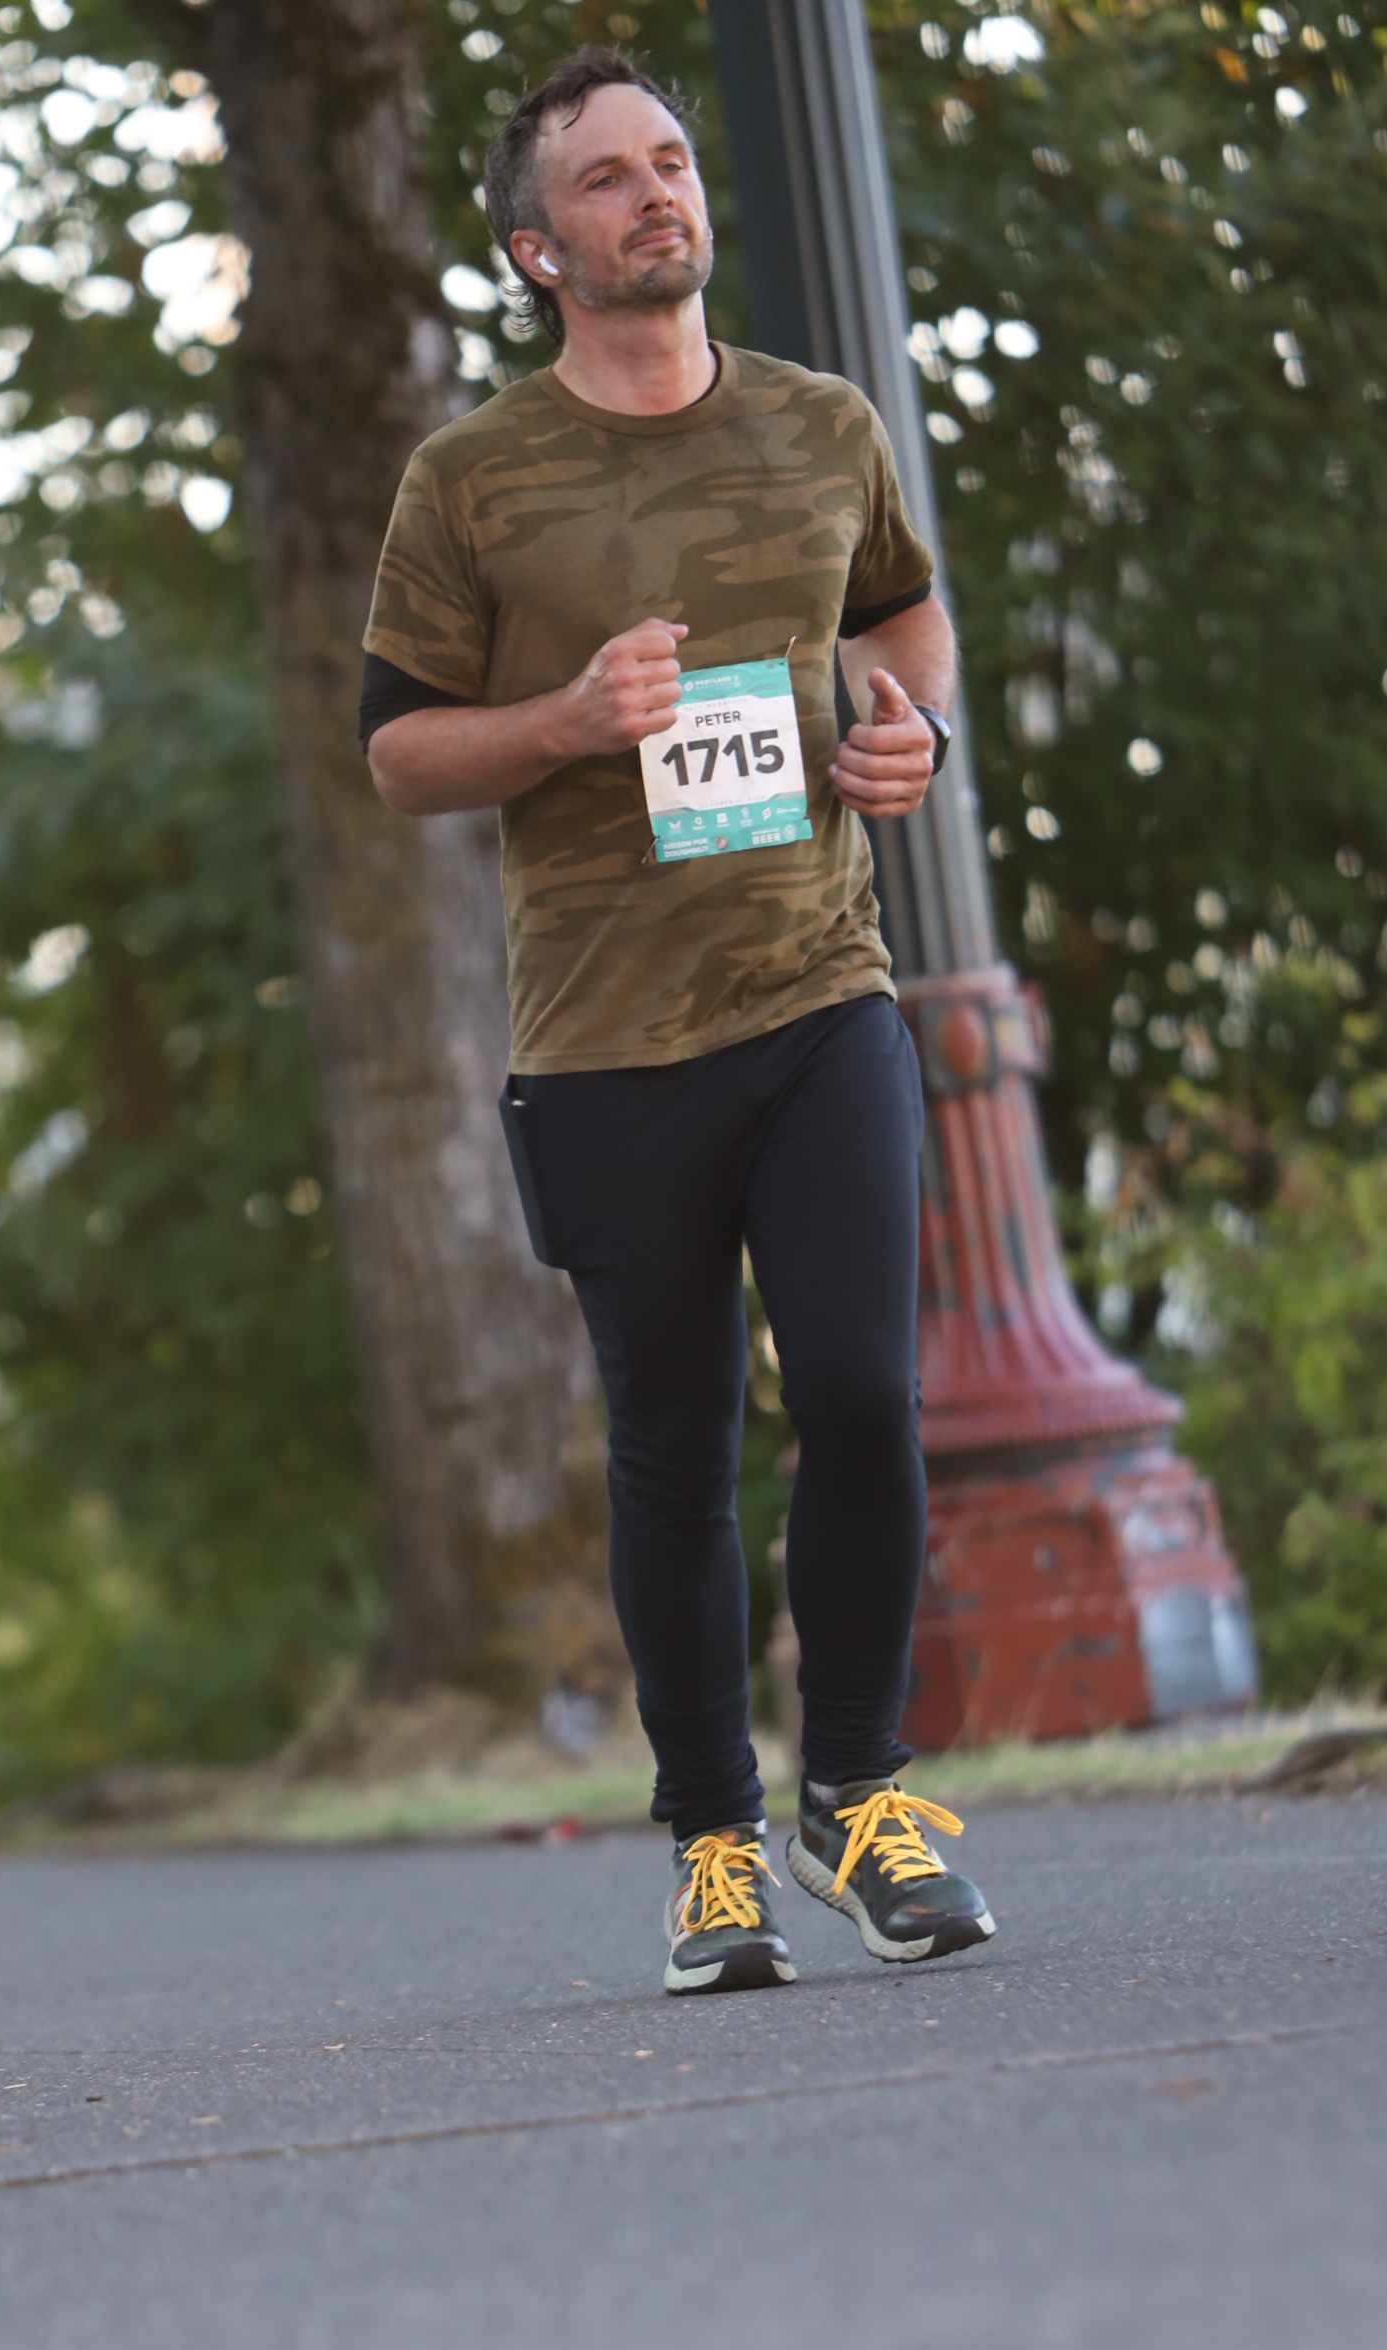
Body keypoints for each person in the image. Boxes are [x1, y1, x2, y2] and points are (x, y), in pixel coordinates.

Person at [362, 47, 995, 1997]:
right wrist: (565, 720)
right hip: (605, 1040)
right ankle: (712, 1841)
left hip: (816, 988)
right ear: (536, 251)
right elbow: (396, 753)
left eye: (671, 161)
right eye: (608, 179)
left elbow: (902, 615)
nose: (657, 194)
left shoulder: (819, 425)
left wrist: (912, 729)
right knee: (671, 1443)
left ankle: (859, 1796)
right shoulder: (470, 480)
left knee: (866, 1395)